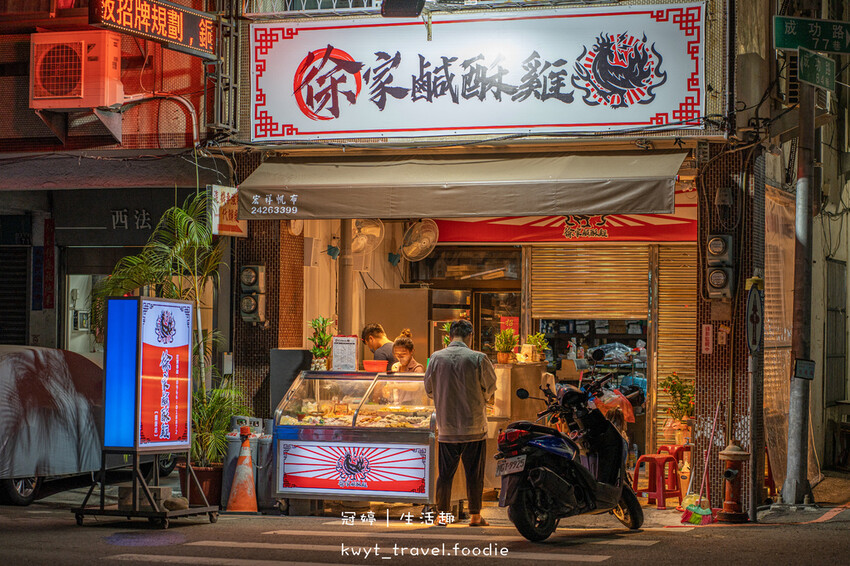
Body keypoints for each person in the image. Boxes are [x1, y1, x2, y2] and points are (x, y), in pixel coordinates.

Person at [424, 319, 497, 527]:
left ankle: (442, 516)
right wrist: (480, 398)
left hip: (446, 426)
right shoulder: (479, 358)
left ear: (450, 336)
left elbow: (428, 389)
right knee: (474, 473)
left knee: (445, 474)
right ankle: (475, 516)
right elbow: (490, 387)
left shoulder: (435, 358)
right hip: (474, 425)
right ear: (470, 336)